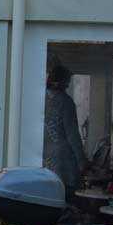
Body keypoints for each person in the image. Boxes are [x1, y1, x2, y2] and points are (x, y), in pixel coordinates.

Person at [43, 65, 89, 199]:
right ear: (62, 82)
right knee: (65, 197)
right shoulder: (65, 102)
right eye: (67, 81)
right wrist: (82, 161)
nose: (68, 85)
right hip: (62, 161)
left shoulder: (40, 99)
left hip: (43, 159)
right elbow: (72, 135)